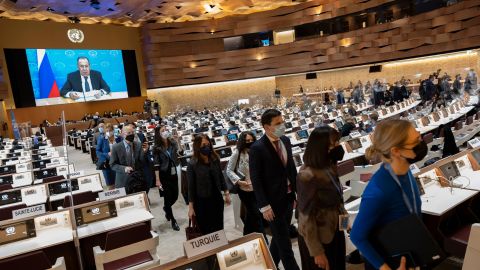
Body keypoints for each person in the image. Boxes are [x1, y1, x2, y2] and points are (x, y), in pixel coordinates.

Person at [350, 119, 427, 270]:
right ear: (396, 151)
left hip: (409, 251)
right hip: (391, 262)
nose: (421, 143)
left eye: (419, 136)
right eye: (416, 141)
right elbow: (357, 236)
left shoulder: (405, 171)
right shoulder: (378, 192)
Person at [249, 109, 300, 270]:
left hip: (288, 197)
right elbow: (256, 180)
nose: (282, 125)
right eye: (278, 123)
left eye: (282, 122)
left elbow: (291, 169)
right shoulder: (257, 148)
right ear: (266, 127)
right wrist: (264, 205)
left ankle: (270, 264)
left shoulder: (285, 140)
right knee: (285, 244)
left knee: (279, 237)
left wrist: (298, 192)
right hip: (272, 203)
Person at [297, 125, 346, 270]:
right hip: (317, 238)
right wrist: (317, 252)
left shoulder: (330, 165)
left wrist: (344, 225)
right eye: (334, 143)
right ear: (321, 146)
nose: (338, 146)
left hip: (335, 231)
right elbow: (306, 217)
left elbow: (338, 200)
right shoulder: (307, 175)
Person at [187, 134, 231, 235]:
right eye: (203, 145)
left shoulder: (214, 159)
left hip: (217, 200)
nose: (206, 147)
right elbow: (191, 188)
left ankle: (219, 247)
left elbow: (221, 176)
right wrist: (191, 208)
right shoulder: (192, 164)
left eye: (208, 144)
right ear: (197, 146)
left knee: (219, 228)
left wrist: (226, 193)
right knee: (206, 231)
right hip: (202, 203)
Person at [226, 131, 265, 236]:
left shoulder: (256, 151)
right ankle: (264, 239)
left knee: (252, 214)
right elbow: (229, 170)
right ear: (243, 141)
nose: (250, 142)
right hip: (245, 190)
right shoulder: (237, 153)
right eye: (247, 141)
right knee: (256, 214)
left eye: (252, 140)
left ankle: (246, 233)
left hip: (257, 188)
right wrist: (239, 181)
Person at [154, 125, 181, 231]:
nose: (165, 132)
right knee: (168, 197)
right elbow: (156, 164)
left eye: (166, 130)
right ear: (159, 134)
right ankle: (173, 221)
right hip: (164, 175)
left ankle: (166, 208)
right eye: (162, 131)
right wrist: (157, 179)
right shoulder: (156, 147)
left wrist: (178, 141)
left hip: (174, 172)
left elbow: (180, 152)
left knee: (175, 196)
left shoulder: (172, 143)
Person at [96, 123, 116, 190]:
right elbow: (98, 152)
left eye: (110, 130)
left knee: (120, 184)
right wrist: (107, 154)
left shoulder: (118, 138)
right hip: (107, 164)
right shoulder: (102, 139)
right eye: (107, 131)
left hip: (118, 163)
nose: (109, 132)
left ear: (113, 130)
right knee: (111, 185)